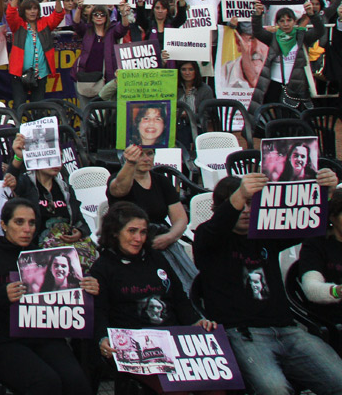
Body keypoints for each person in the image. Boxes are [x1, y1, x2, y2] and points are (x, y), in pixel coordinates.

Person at [194, 172, 342, 395]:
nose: (245, 210)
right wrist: (241, 193)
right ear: (221, 207)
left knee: (339, 380)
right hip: (243, 334)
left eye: (251, 203)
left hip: (288, 330)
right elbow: (216, 226)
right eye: (239, 204)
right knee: (275, 390)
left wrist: (326, 192)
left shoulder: (265, 232)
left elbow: (308, 220)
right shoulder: (208, 238)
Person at [0, 199, 95, 395]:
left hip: (45, 337)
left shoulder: (44, 256)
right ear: (4, 225)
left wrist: (86, 288)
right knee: (46, 383)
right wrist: (1, 296)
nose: (27, 229)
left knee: (77, 383)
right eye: (19, 222)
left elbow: (66, 301)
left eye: (31, 223)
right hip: (5, 342)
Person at [90, 203, 217, 395]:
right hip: (137, 346)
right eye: (132, 231)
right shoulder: (102, 268)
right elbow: (99, 311)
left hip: (174, 340)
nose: (138, 238)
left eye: (143, 232)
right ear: (115, 232)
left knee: (215, 387)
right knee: (176, 391)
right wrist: (102, 339)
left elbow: (179, 297)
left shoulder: (155, 258)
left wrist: (196, 321)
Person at [107, 145, 194, 285]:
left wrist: (169, 237)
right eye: (141, 154)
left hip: (162, 238)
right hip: (129, 240)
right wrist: (130, 163)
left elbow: (180, 219)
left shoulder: (162, 181)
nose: (146, 158)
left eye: (150, 153)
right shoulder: (117, 179)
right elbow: (119, 190)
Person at [252, 4, 325, 109]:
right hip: (275, 82)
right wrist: (257, 15)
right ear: (277, 23)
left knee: (295, 118)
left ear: (295, 21)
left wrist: (312, 14)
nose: (286, 24)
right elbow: (258, 32)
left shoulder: (302, 37)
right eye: (282, 21)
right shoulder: (273, 38)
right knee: (273, 115)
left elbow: (319, 31)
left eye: (289, 20)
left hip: (296, 84)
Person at [5, 0, 66, 107]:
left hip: (40, 74)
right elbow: (10, 13)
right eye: (29, 9)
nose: (32, 12)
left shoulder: (44, 23)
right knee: (19, 106)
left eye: (35, 9)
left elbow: (58, 15)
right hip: (19, 74)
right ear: (23, 11)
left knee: (38, 108)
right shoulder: (18, 24)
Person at [70, 2, 129, 107]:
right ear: (91, 17)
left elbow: (123, 28)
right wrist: (79, 7)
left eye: (102, 15)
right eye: (96, 14)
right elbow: (76, 23)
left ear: (107, 17)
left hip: (105, 79)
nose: (99, 17)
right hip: (84, 78)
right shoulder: (87, 30)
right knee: (86, 113)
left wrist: (123, 13)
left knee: (104, 114)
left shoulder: (112, 31)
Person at [299, 190, 342, 308]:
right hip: (329, 319)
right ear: (332, 217)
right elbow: (311, 288)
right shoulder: (315, 244)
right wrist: (336, 291)